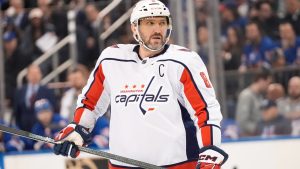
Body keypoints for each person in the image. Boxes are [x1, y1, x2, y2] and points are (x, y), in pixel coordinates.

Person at [53, 1, 228, 169]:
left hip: (179, 164)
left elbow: (205, 111)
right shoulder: (112, 59)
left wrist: (210, 149)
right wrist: (78, 129)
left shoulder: (184, 61)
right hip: (122, 165)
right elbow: (90, 103)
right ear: (134, 28)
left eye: (162, 23)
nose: (157, 29)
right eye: (150, 23)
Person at [13, 64, 57, 131]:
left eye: (37, 73)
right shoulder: (20, 91)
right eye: (32, 73)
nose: (34, 76)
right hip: (23, 130)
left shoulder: (48, 91)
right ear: (27, 76)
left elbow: (53, 110)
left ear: (41, 75)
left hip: (42, 131)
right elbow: (17, 112)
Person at [236, 71, 272, 136]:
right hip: (247, 138)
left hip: (258, 136)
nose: (268, 86)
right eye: (268, 83)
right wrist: (260, 129)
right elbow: (243, 122)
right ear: (261, 81)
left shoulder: (260, 96)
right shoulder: (246, 95)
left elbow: (259, 116)